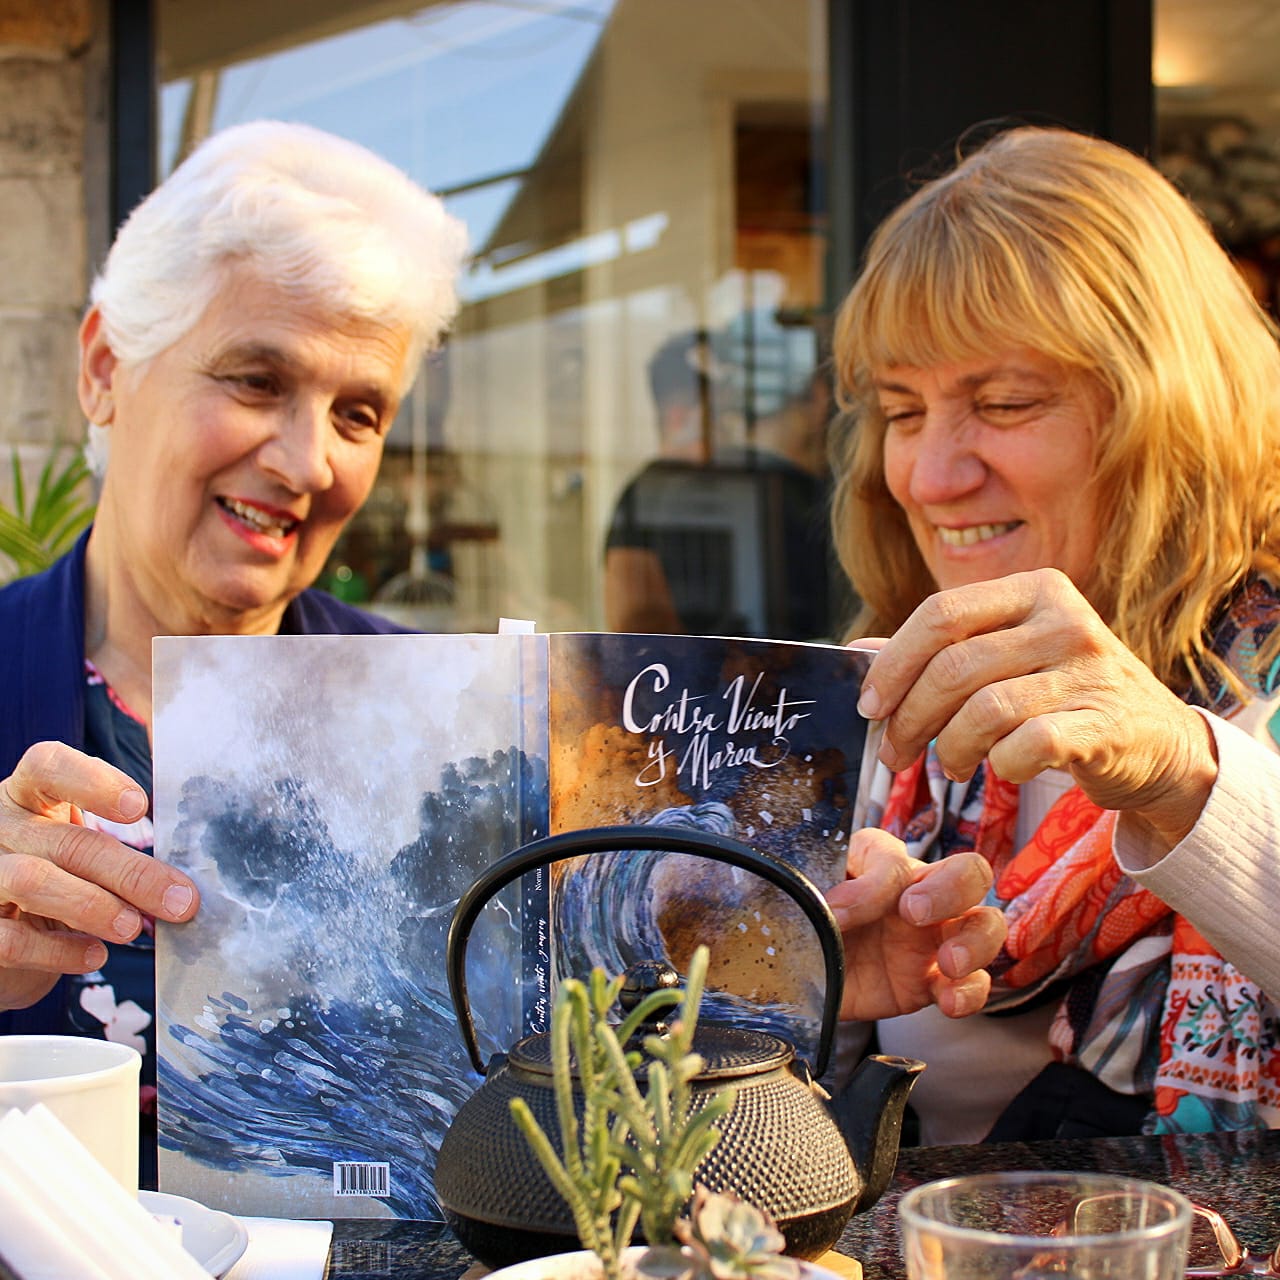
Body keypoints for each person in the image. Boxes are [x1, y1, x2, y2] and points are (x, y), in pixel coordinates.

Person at [0, 120, 1004, 1186]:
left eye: (358, 413)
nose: (307, 461)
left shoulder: (455, 722)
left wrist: (774, 974)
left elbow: (567, 1093)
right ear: (105, 368)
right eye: (254, 380)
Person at [830, 124, 1280, 1142]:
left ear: (1169, 416)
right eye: (901, 411)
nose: (930, 477)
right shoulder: (886, 720)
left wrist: (1183, 774)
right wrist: (803, 992)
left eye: (1003, 402)